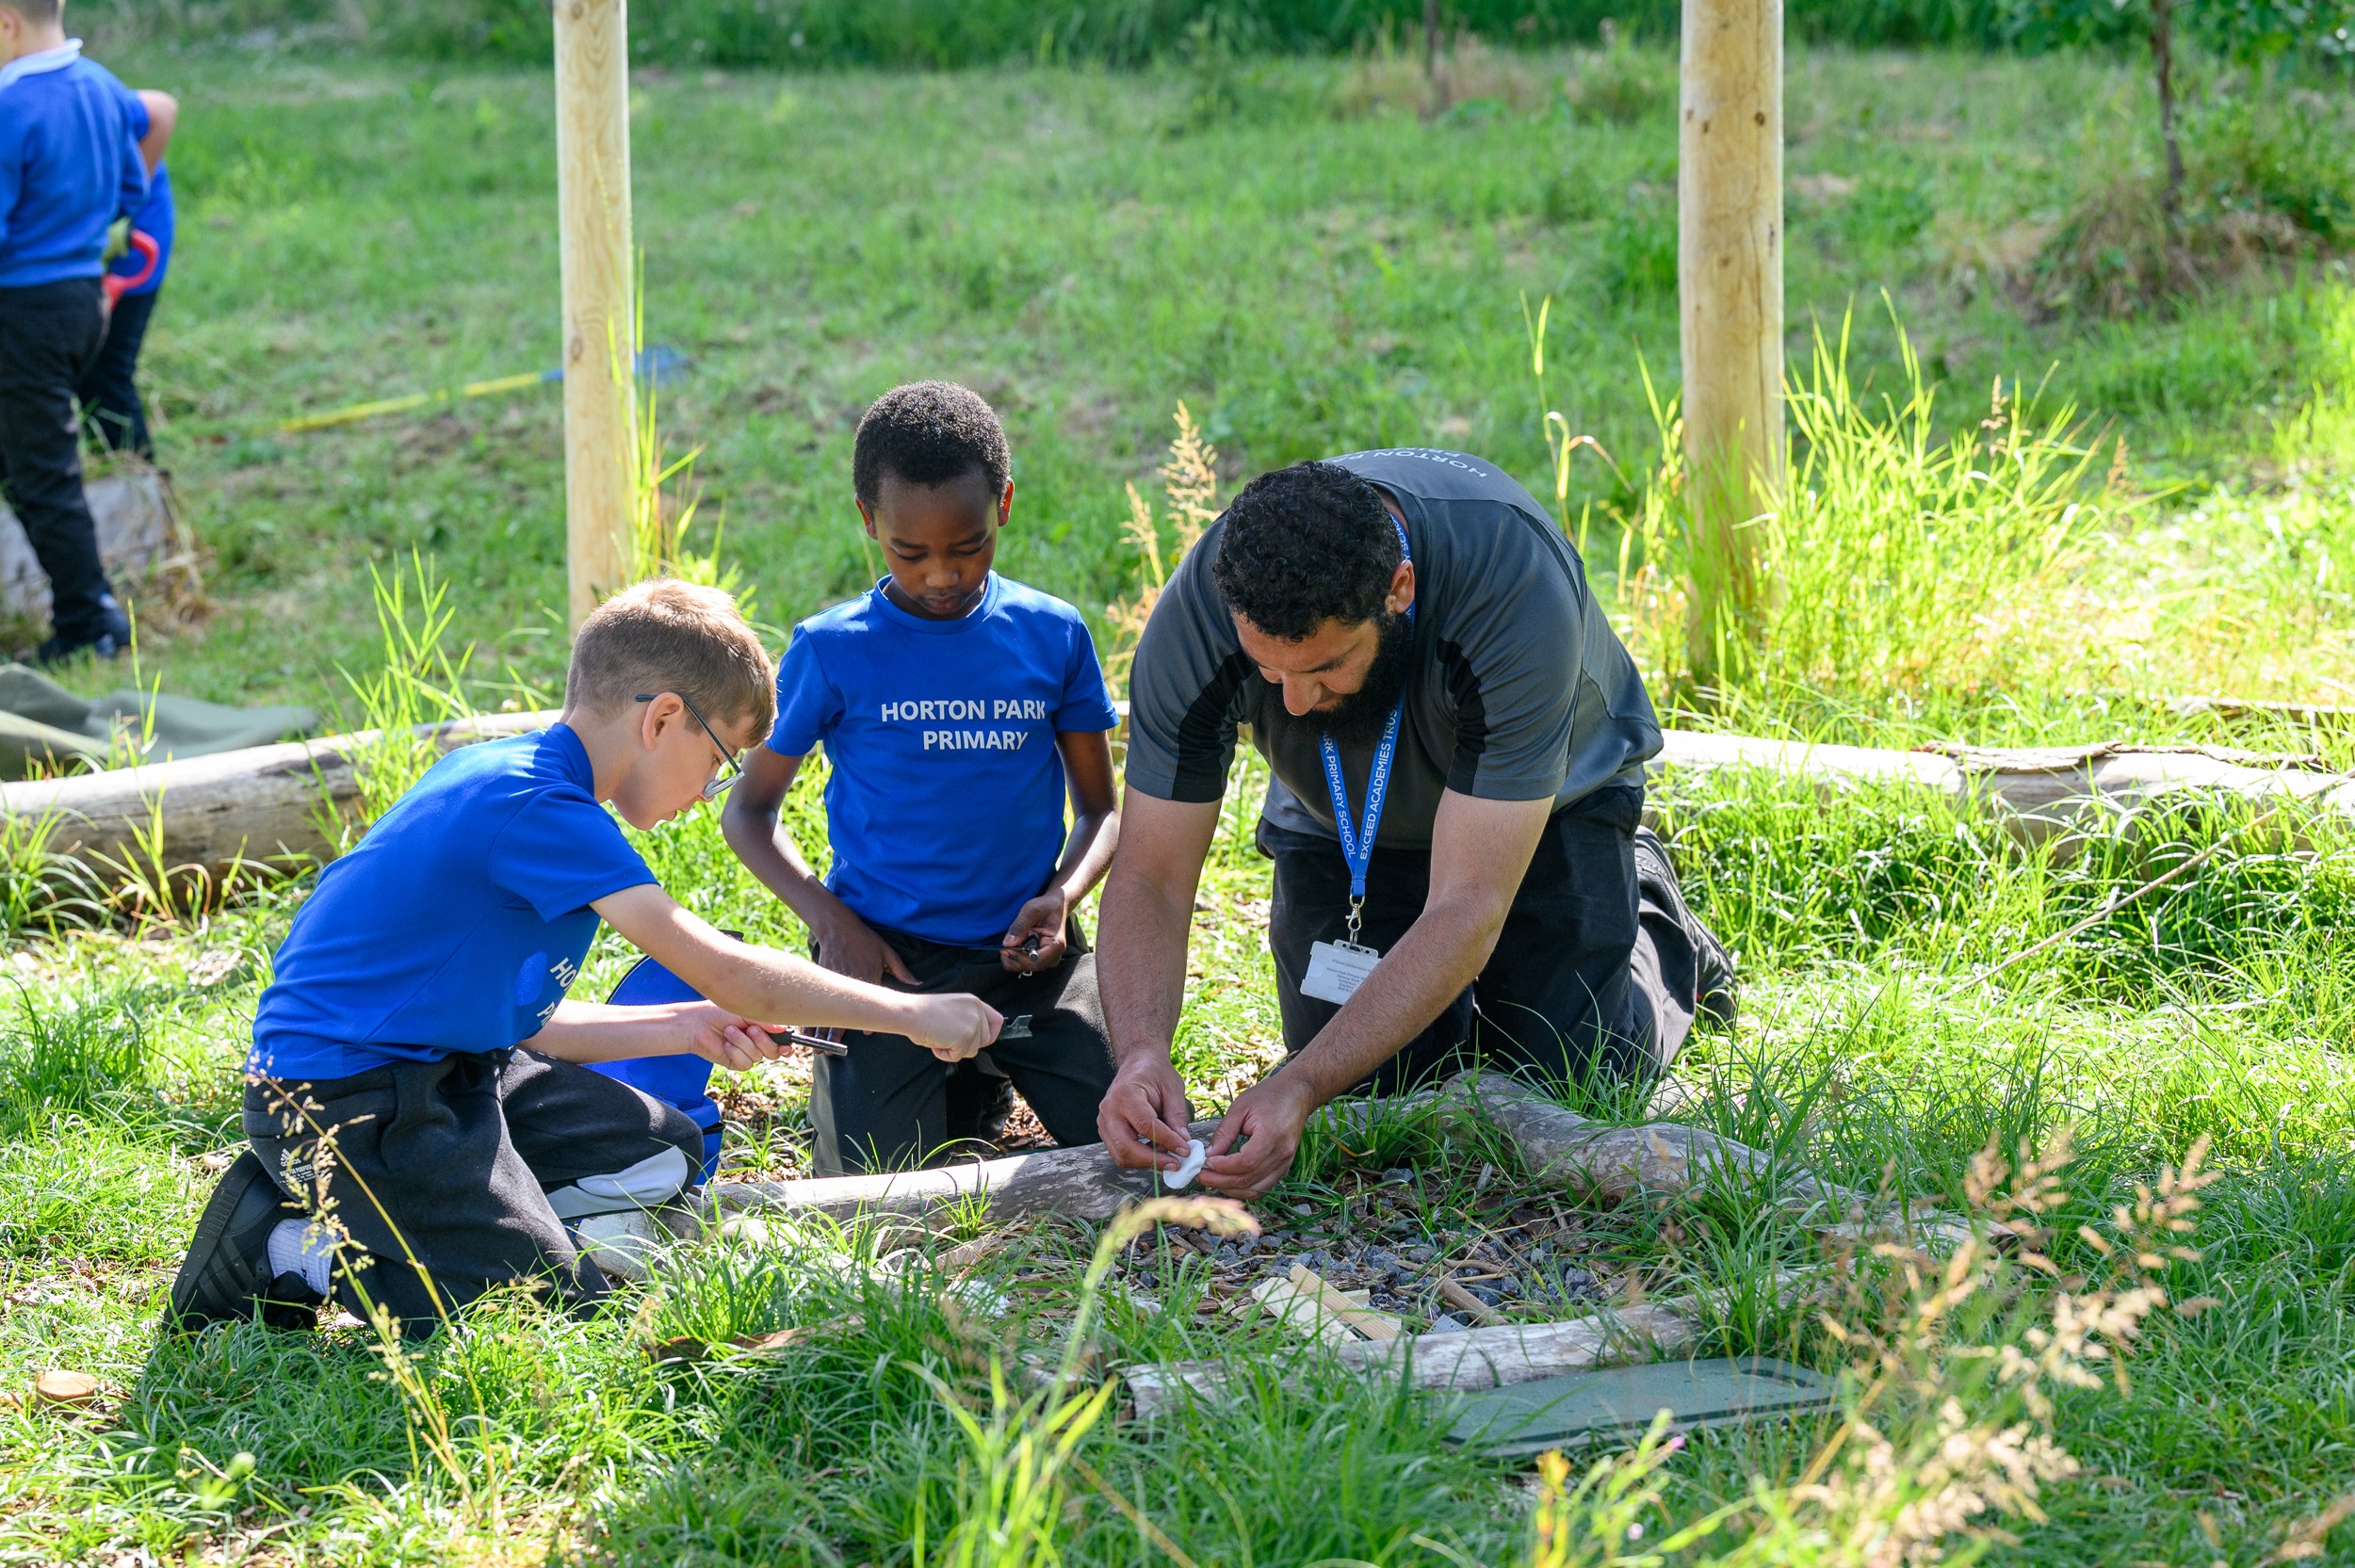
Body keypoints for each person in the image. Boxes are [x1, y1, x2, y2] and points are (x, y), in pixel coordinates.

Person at [169, 580, 1002, 1335]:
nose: (710, 789)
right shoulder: (541, 808)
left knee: (663, 1150)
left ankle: (459, 1211)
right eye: (717, 761)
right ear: (662, 718)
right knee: (533, 1308)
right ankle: (288, 1240)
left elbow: (538, 1028)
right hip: (342, 1099)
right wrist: (912, 1010)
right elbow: (734, 970)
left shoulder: (522, 780)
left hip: (459, 1066)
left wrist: (693, 1025)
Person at [1096, 450, 1734, 1198]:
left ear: (1399, 589)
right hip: (1343, 823)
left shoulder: (1512, 583)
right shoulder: (1198, 618)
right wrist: (1140, 1050)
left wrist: (1297, 1083)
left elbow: (1468, 908)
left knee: (1568, 1079)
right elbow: (1150, 875)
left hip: (1544, 810)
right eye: (1270, 674)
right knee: (1379, 1095)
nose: (1293, 705)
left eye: (1325, 667)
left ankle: (1655, 919)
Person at [719, 380, 1121, 1175]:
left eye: (967, 544)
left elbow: (1102, 809)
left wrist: (1062, 899)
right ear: (869, 522)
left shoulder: (1051, 635)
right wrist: (833, 922)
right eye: (911, 552)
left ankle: (983, 1063)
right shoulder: (833, 649)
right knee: (873, 1187)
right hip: (886, 964)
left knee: (1123, 1137)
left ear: (1003, 504)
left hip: (1024, 955)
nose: (943, 574)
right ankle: (954, 1069)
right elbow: (749, 814)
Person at [0, 0, 146, 663]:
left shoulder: (10, 107)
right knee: (24, 459)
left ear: (6, 22)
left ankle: (90, 623)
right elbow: (130, 185)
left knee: (42, 473)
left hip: (23, 307)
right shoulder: (105, 87)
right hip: (83, 296)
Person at [78, 82, 172, 458]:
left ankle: (139, 503)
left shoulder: (67, 89)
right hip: (68, 250)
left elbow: (160, 111)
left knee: (103, 377)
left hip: (128, 248)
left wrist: (119, 212)